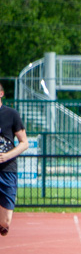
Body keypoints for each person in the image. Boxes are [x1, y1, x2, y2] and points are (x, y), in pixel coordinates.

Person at [0, 82, 29, 236]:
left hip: (7, 170)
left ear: (1, 94)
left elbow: (24, 143)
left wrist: (7, 156)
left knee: (5, 222)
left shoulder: (11, 114)